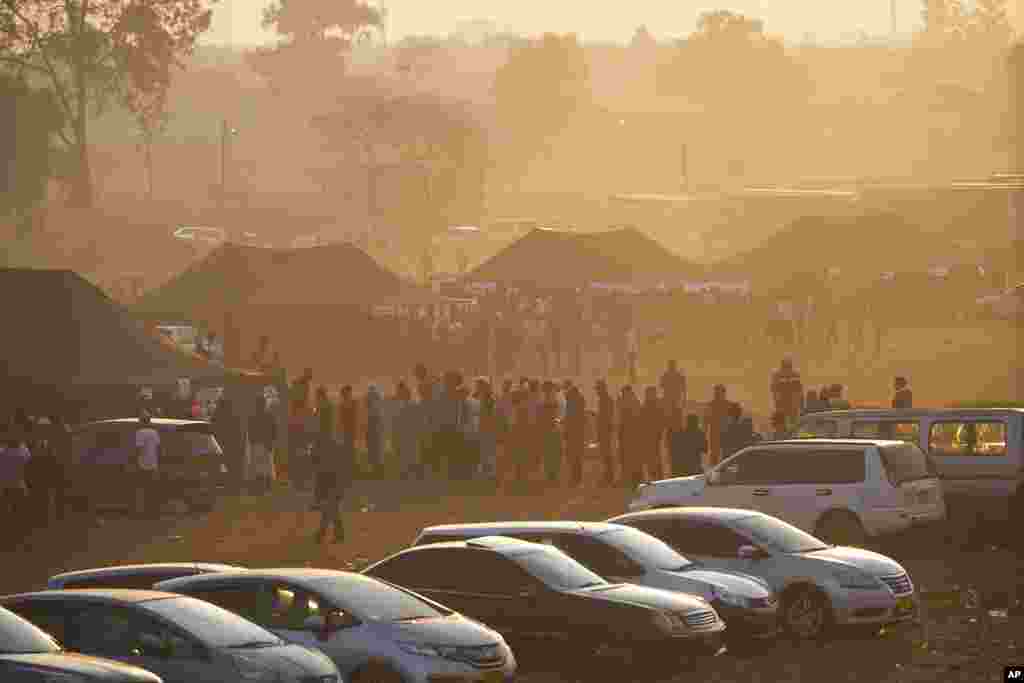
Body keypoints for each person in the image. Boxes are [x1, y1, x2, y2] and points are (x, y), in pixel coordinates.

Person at [134, 411, 162, 518]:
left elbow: (139, 449)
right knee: (152, 490)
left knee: (142, 490)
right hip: (153, 464)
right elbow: (158, 448)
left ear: (141, 421)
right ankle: (153, 512)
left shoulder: (140, 433)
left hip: (142, 464)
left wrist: (133, 460)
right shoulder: (154, 432)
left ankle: (143, 512)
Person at [250, 399, 277, 494]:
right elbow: (274, 431)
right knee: (267, 468)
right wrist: (272, 442)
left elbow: (251, 432)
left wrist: (252, 442)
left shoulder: (253, 416)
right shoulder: (269, 416)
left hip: (258, 445)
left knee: (259, 468)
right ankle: (266, 487)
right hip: (266, 445)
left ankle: (259, 487)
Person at [538, 381, 562, 484]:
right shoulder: (553, 399)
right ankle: (552, 474)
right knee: (551, 454)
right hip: (551, 429)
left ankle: (552, 474)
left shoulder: (548, 400)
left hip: (549, 429)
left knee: (551, 453)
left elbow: (553, 416)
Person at [770, 358, 804, 431]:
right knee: (786, 420)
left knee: (791, 420)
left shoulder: (778, 375)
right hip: (785, 402)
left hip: (788, 402)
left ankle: (790, 431)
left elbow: (799, 390)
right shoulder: (779, 375)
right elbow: (774, 389)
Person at [474, 378, 498, 480]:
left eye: (479, 385)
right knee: (480, 451)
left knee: (488, 451)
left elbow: (492, 414)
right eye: (477, 385)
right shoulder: (474, 397)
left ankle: (490, 474)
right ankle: (482, 473)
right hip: (478, 426)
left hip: (487, 427)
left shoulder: (490, 399)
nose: (478, 387)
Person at [563, 381, 586, 488]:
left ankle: (575, 479)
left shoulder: (572, 401)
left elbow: (570, 418)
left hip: (573, 432)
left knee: (574, 457)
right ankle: (576, 478)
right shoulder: (579, 399)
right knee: (576, 457)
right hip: (577, 432)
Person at [640, 387, 664, 483]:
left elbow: (660, 421)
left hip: (653, 435)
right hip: (649, 435)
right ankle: (655, 476)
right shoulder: (651, 406)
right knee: (652, 457)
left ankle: (656, 476)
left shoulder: (653, 406)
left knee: (654, 457)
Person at [618, 386, 641, 486]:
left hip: (630, 434)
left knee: (631, 457)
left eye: (623, 393)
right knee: (629, 457)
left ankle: (633, 478)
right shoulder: (634, 402)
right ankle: (631, 478)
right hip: (629, 433)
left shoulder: (631, 403)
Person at [705, 385, 731, 468]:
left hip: (721, 433)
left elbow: (706, 421)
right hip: (717, 433)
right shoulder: (726, 405)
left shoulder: (713, 405)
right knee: (716, 455)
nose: (717, 394)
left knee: (722, 455)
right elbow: (706, 420)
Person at [595, 379, 616, 486]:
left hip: (605, 430)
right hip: (605, 429)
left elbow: (606, 416)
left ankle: (609, 476)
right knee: (606, 454)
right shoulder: (605, 399)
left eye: (598, 389)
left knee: (607, 454)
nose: (596, 391)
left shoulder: (606, 400)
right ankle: (608, 475)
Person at [365, 385, 383, 475]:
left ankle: (375, 468)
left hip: (373, 431)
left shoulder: (372, 414)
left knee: (374, 450)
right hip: (374, 431)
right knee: (375, 450)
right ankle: (376, 468)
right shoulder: (375, 413)